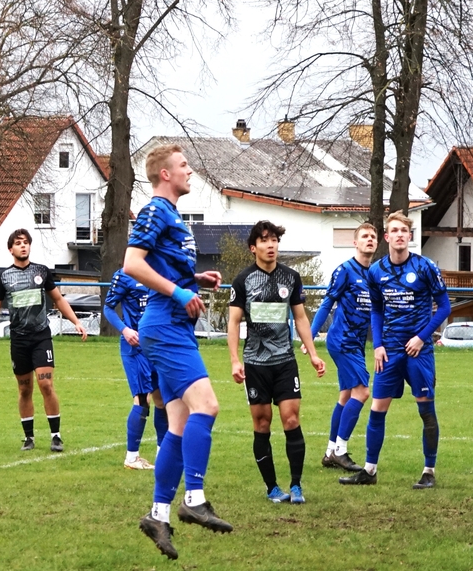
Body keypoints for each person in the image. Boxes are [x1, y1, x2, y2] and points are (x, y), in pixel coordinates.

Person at [124, 143, 232, 560]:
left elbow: (161, 265)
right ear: (165, 174)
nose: (190, 171)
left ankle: (158, 515)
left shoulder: (171, 215)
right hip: (166, 325)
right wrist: (180, 291)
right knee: (208, 406)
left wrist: (195, 279)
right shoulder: (155, 210)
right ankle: (194, 498)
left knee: (180, 425)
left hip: (172, 325)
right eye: (184, 166)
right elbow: (132, 264)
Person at [339, 211, 451, 490]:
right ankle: (369, 470)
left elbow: (445, 307)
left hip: (418, 352)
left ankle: (428, 471)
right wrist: (377, 345)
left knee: (425, 408)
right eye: (395, 231)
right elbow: (377, 310)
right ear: (387, 237)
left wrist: (421, 338)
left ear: (409, 236)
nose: (400, 235)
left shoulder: (425, 267)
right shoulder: (376, 271)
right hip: (389, 351)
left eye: (404, 231)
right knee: (377, 408)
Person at [229, 221, 326, 505]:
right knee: (262, 423)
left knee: (291, 419)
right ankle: (272, 488)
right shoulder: (243, 280)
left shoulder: (291, 277)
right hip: (255, 363)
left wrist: (313, 353)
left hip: (285, 361)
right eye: (264, 240)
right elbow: (233, 322)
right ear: (253, 247)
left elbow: (301, 318)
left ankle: (296, 486)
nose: (270, 245)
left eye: (274, 240)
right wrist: (235, 360)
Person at [0, 229, 88, 453]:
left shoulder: (41, 271)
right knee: (25, 389)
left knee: (46, 384)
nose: (23, 246)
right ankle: (28, 437)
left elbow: (58, 299)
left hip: (41, 337)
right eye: (18, 243)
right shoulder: (3, 277)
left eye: (26, 242)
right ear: (10, 249)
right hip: (19, 340)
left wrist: (76, 321)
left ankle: (56, 436)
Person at [312, 223, 378, 472]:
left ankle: (330, 451)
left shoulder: (374, 274)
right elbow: (327, 303)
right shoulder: (345, 270)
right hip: (342, 341)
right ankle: (340, 450)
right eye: (365, 236)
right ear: (355, 243)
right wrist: (310, 335)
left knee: (346, 396)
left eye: (373, 236)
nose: (369, 239)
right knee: (362, 392)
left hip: (356, 344)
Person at [104, 268, 168, 470]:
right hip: (135, 347)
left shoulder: (160, 269)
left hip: (157, 344)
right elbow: (108, 308)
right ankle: (131, 458)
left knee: (163, 400)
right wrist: (125, 330)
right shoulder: (124, 275)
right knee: (142, 399)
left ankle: (162, 454)